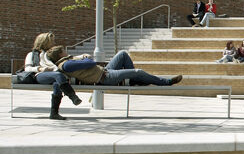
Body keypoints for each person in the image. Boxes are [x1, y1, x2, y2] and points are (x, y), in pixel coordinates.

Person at [46, 46, 183, 87]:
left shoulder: (68, 61)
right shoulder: (67, 64)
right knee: (138, 71)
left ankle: (135, 80)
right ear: (60, 55)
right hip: (104, 78)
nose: (66, 51)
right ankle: (165, 82)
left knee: (122, 54)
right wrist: (84, 56)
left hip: (105, 71)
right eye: (63, 50)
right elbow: (91, 62)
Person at [23, 33, 81, 120]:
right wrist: (40, 69)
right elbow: (27, 68)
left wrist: (81, 57)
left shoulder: (51, 54)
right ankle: (73, 96)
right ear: (44, 42)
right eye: (51, 41)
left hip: (55, 76)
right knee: (58, 75)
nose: (53, 43)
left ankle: (54, 113)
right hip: (39, 75)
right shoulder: (31, 54)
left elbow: (68, 58)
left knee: (57, 83)